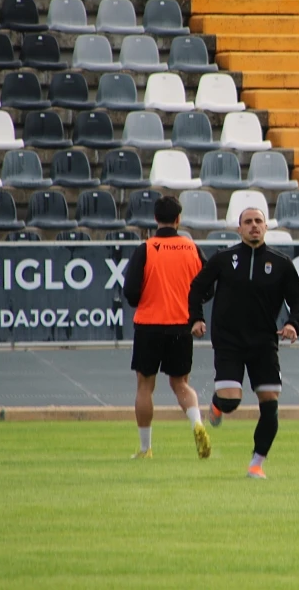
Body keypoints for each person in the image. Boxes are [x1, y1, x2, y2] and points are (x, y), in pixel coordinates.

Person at [187, 207, 299, 479]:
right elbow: (196, 288)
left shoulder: (281, 263)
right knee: (231, 402)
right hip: (228, 340)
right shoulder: (222, 258)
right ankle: (219, 405)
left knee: (270, 401)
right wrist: (195, 318)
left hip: (264, 342)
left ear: (266, 227)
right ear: (238, 229)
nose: (254, 226)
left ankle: (256, 464)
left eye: (258, 221)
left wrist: (292, 324)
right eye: (248, 222)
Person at [122, 195, 210, 460]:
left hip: (149, 325)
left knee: (144, 386)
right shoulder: (191, 248)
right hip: (181, 326)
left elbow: (131, 292)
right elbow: (207, 286)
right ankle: (197, 423)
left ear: (156, 219)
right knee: (181, 383)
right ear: (179, 219)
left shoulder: (147, 248)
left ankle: (146, 447)